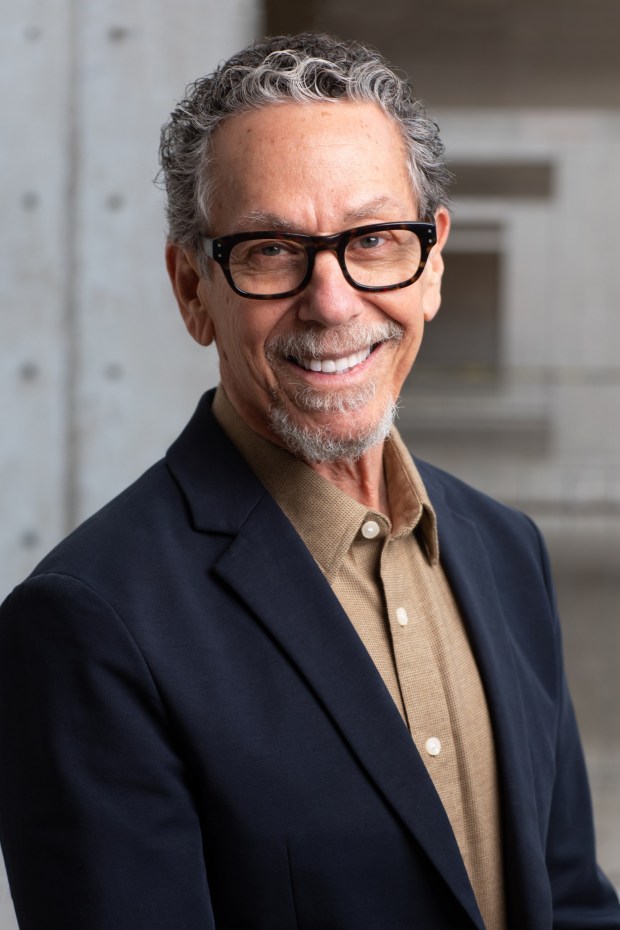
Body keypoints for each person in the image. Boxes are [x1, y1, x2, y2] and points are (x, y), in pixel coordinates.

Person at [0, 32, 618, 930]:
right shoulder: (87, 625)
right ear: (190, 288)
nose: (332, 300)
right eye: (270, 250)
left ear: (432, 261)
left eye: (373, 239)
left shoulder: (505, 549)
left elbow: (571, 904)